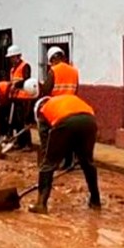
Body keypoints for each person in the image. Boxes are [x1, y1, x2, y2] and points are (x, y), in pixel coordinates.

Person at [25, 79, 101, 215]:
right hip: (90, 120)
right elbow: (73, 134)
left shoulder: (43, 110)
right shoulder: (64, 99)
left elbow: (46, 142)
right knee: (87, 162)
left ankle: (41, 204)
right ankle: (96, 201)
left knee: (48, 164)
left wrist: (46, 163)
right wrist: (78, 155)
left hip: (67, 121)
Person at [6, 45, 35, 150]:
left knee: (24, 121)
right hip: (15, 97)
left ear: (17, 56)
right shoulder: (13, 69)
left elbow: (27, 79)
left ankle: (28, 144)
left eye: (12, 57)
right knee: (16, 122)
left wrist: (17, 85)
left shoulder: (25, 66)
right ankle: (20, 142)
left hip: (24, 98)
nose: (10, 59)